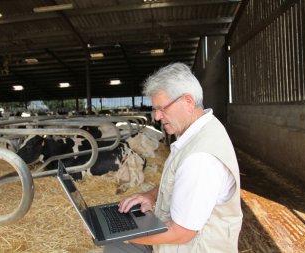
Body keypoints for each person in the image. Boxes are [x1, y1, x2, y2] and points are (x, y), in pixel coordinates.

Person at [104, 62, 243, 253]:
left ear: (187, 101)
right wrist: (150, 196)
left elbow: (181, 233)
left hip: (192, 246)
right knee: (114, 247)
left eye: (162, 108)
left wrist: (117, 233)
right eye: (155, 109)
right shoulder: (202, 130)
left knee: (115, 245)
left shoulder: (199, 160)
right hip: (176, 239)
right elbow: (181, 183)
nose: (157, 117)